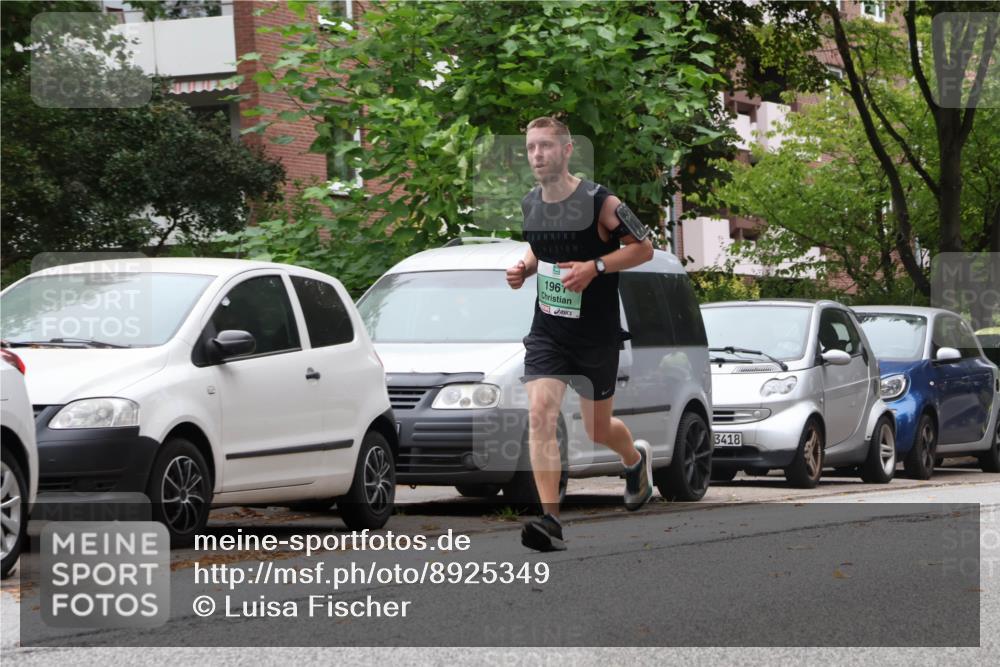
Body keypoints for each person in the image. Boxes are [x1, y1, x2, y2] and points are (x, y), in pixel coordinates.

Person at [506, 116, 655, 552]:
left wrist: (596, 266)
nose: (537, 155)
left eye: (546, 146)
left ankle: (634, 460)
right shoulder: (531, 204)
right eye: (531, 147)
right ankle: (550, 519)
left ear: (567, 150)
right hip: (549, 331)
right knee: (540, 414)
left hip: (596, 335)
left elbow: (644, 248)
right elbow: (541, 246)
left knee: (597, 428)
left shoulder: (601, 202)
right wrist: (524, 267)